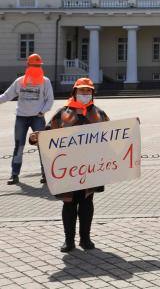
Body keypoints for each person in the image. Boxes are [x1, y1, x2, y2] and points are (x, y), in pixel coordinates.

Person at [29, 77, 109, 252]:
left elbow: (112, 136)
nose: (85, 94)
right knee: (69, 203)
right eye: (82, 91)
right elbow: (48, 134)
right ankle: (69, 240)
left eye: (88, 91)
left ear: (92, 93)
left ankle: (85, 239)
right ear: (74, 92)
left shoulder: (99, 114)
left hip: (90, 167)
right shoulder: (63, 113)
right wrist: (35, 138)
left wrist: (130, 130)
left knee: (87, 202)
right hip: (68, 168)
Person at [0, 53, 54, 185]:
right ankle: (14, 175)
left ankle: (46, 175)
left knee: (43, 147)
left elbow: (50, 99)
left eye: (38, 65)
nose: (35, 67)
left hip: (37, 118)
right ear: (28, 65)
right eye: (33, 65)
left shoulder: (45, 81)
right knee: (19, 146)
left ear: (40, 66)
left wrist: (42, 111)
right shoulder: (19, 81)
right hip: (21, 118)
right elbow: (7, 96)